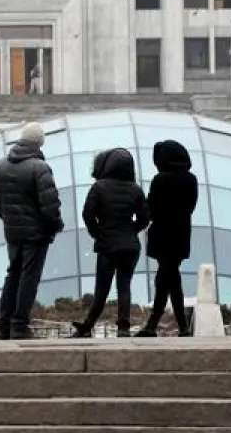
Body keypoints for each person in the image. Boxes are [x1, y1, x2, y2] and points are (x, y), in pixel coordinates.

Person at [0, 121, 64, 340]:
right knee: (28, 278)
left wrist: (10, 220)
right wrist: (55, 226)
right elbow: (50, 206)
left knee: (12, 274)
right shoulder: (39, 168)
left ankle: (4, 324)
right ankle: (19, 325)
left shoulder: (1, 165)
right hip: (36, 234)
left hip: (13, 232)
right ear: (39, 143)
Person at [72, 148, 149, 338]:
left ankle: (87, 327)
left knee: (102, 289)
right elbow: (145, 218)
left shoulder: (99, 187)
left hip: (108, 245)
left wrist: (98, 234)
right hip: (130, 246)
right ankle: (123, 328)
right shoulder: (136, 189)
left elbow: (88, 215)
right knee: (124, 286)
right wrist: (131, 230)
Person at [137, 140, 198, 337]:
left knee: (167, 278)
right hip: (181, 235)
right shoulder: (191, 180)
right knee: (168, 278)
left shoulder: (160, 180)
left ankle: (158, 325)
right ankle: (176, 326)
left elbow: (151, 209)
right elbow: (190, 207)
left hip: (163, 236)